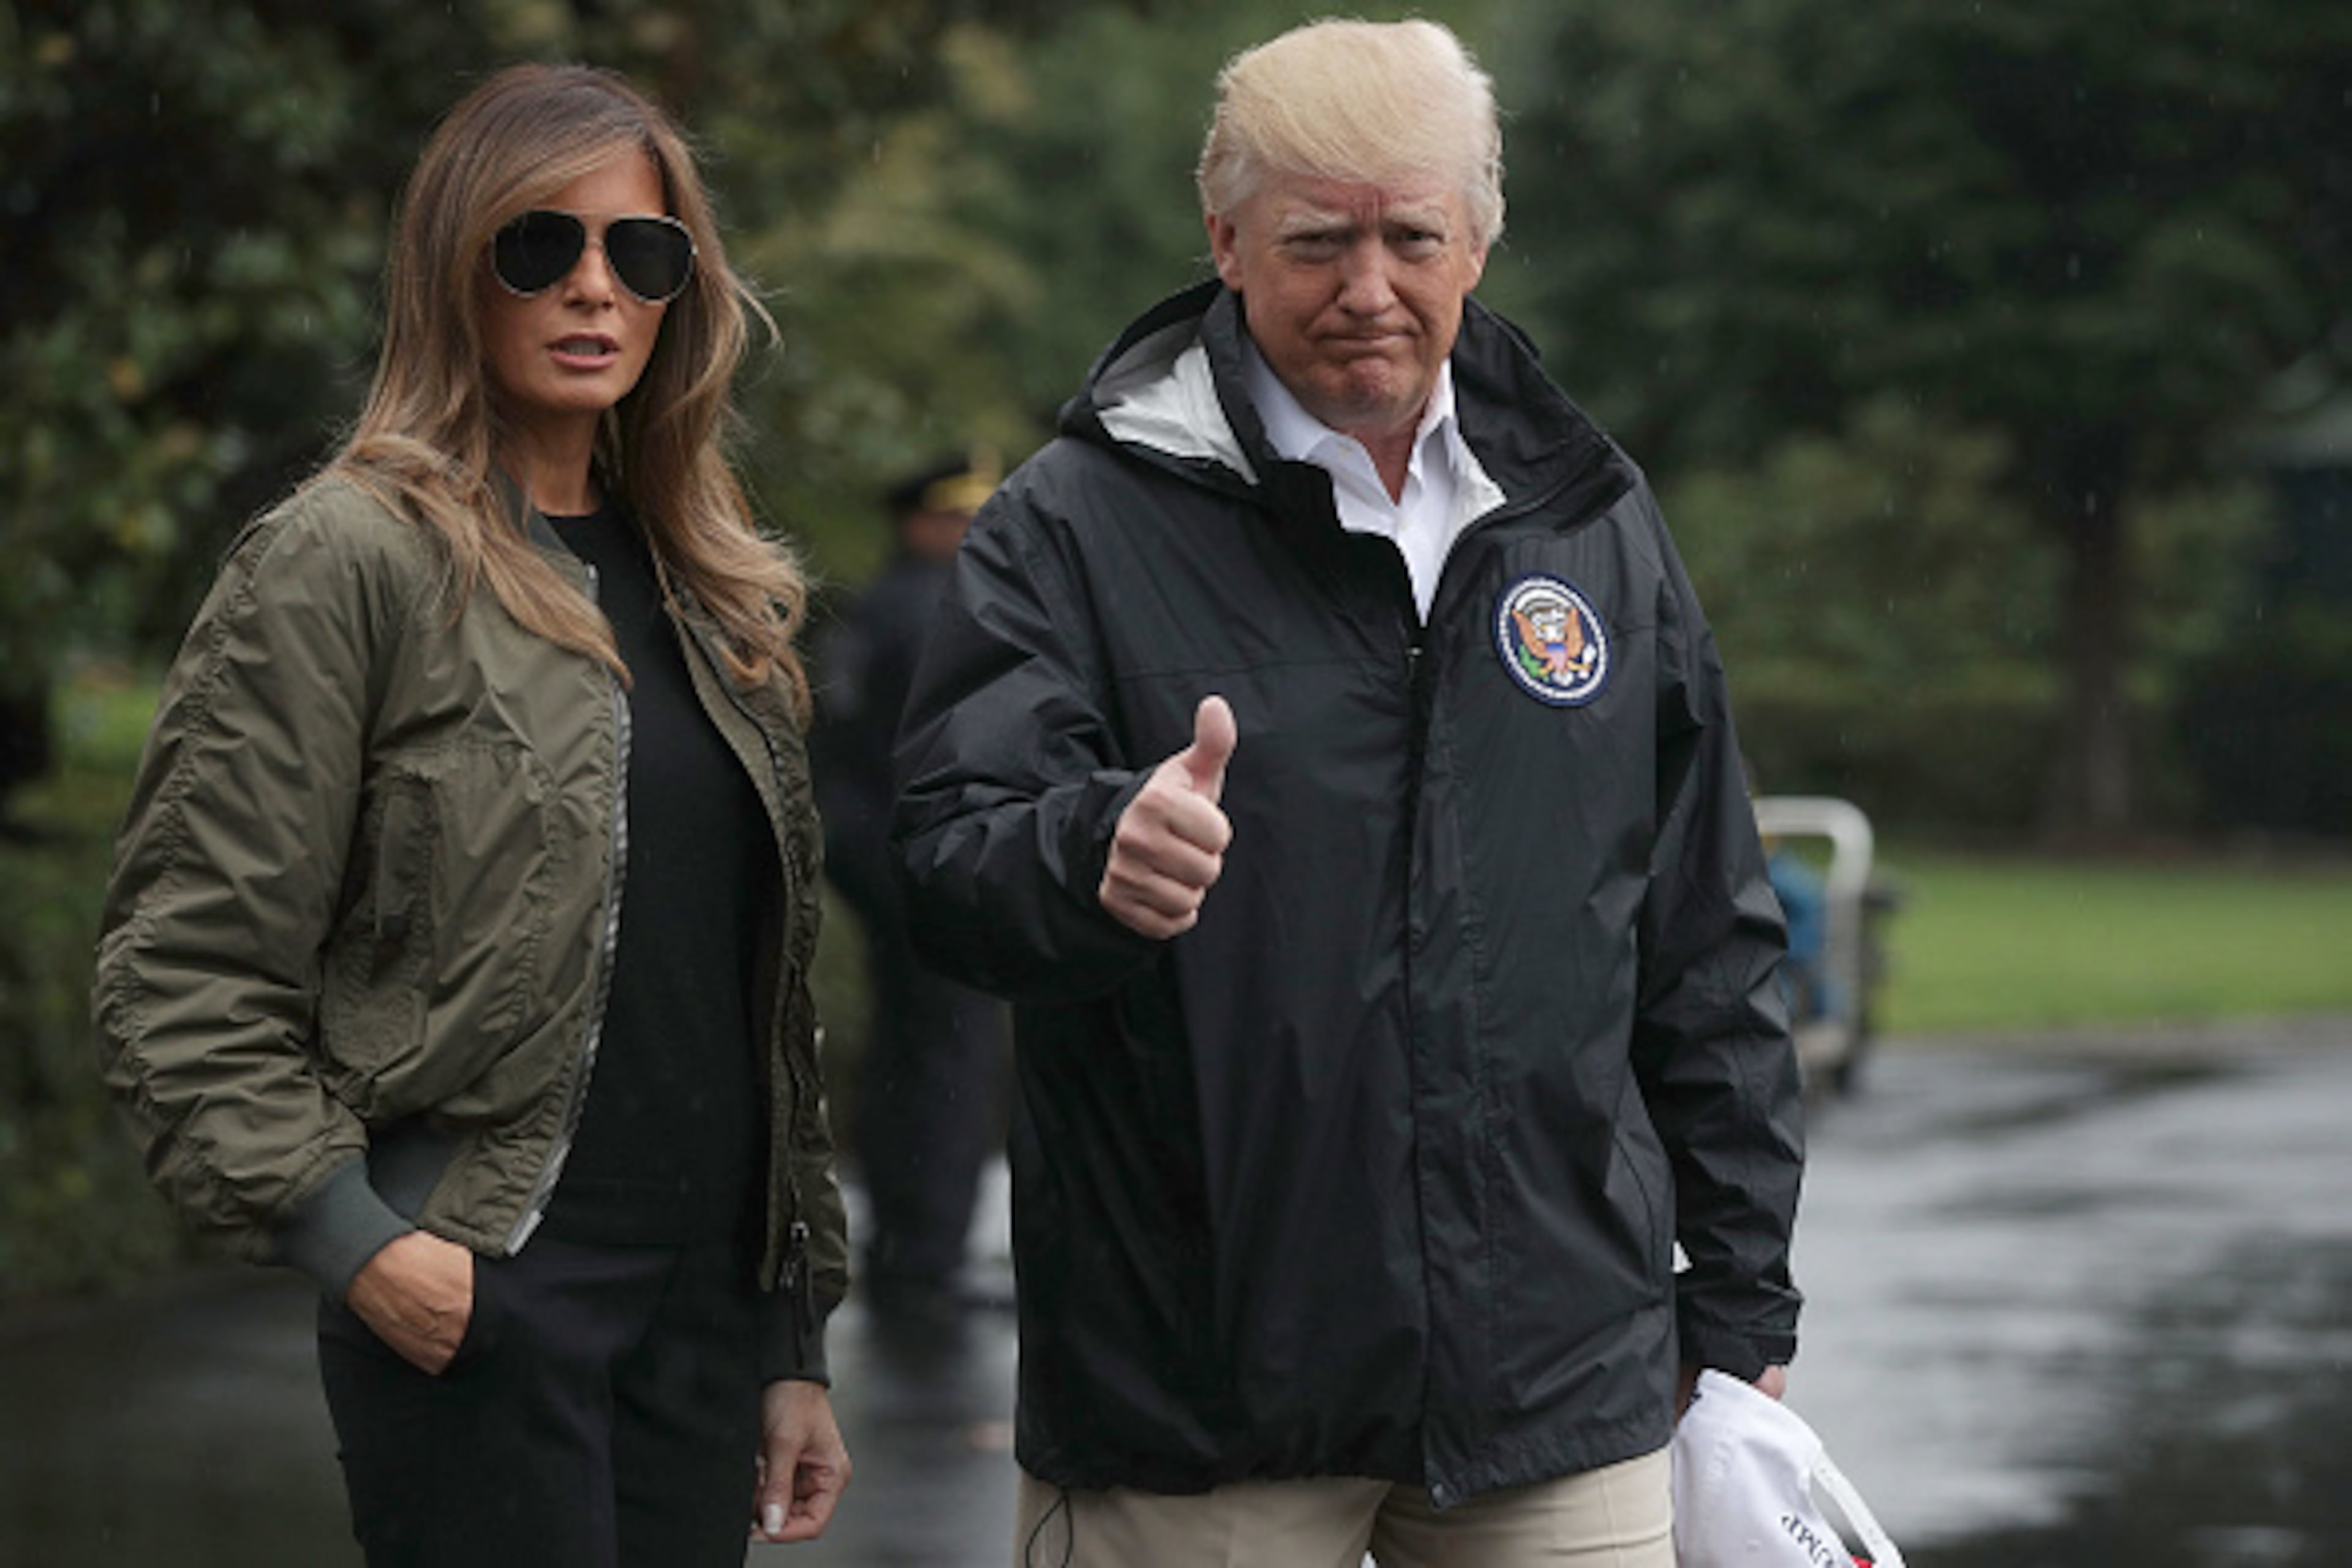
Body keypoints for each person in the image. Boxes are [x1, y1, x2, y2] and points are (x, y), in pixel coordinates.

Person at [891, 20, 1804, 1567]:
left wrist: (1741, 1286)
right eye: (1317, 241)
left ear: (1481, 239)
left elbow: (1704, 923)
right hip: (1199, 1391)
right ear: (1226, 241)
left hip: (1557, 1383)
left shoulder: (1589, 516)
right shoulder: (1075, 523)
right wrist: (1088, 853)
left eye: (1410, 236)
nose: (1367, 287)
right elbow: (942, 853)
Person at [92, 63, 850, 1564]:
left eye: (639, 254)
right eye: (536, 246)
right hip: (482, 1289)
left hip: (699, 1315)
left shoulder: (713, 593)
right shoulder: (345, 559)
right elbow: (180, 975)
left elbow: (757, 1005)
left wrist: (790, 1333)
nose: (592, 288)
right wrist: (359, 1244)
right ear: (456, 270)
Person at [810, 453, 1012, 1330]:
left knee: (908, 1046)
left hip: (867, 853)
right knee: (954, 1053)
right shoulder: (940, 609)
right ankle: (929, 1252)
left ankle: (900, 1243)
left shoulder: (871, 606)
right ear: (922, 522)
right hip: (925, 861)